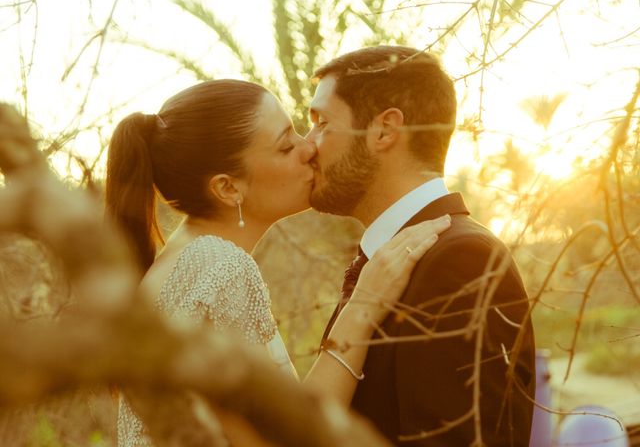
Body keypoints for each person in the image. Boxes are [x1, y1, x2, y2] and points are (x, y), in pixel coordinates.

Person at [105, 79, 452, 446]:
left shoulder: (174, 265)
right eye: (286, 146)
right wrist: (363, 307)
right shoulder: (219, 267)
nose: (309, 148)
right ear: (228, 188)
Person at [307, 46, 536, 446]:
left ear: (384, 130)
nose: (309, 145)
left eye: (322, 122)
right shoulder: (392, 254)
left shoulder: (461, 260)